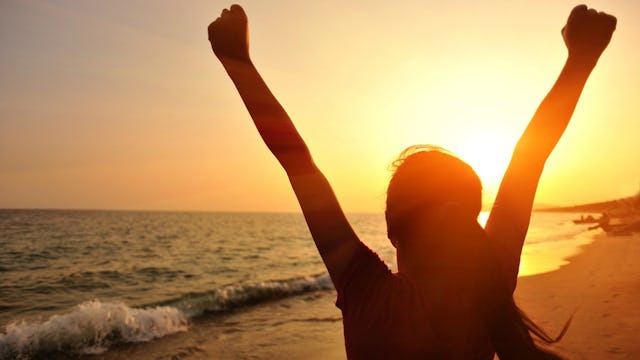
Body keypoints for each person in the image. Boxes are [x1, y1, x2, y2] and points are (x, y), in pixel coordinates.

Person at [208, 4, 616, 359]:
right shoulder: (493, 276)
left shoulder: (368, 291)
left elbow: (298, 163)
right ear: (470, 219)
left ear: (391, 230)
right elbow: (530, 158)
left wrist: (238, 63)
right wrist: (581, 60)